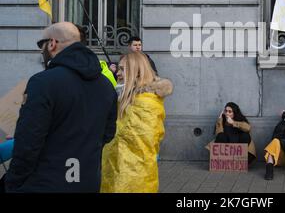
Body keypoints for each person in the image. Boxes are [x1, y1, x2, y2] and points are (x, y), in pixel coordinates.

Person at [5, 22, 117, 192]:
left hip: (44, 182)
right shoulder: (106, 85)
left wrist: (13, 182)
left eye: (41, 45)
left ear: (52, 43)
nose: (41, 51)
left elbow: (28, 142)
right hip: (87, 181)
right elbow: (108, 134)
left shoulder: (42, 82)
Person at [101, 52, 173, 193]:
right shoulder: (126, 98)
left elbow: (136, 140)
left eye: (123, 69)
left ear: (136, 71)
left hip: (133, 176)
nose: (118, 73)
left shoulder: (144, 102)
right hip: (118, 170)